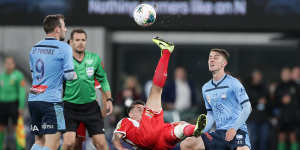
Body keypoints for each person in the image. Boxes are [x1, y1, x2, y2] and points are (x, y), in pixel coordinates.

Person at [112, 37, 206, 150]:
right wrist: (120, 148)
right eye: (138, 109)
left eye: (143, 108)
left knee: (180, 127)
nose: (142, 110)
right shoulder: (126, 121)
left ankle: (193, 129)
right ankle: (166, 52)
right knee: (156, 91)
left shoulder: (146, 118)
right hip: (147, 135)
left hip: (161, 138)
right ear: (131, 114)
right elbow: (116, 137)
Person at [180, 48, 252, 150]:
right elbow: (211, 114)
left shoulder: (234, 83)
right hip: (219, 134)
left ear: (224, 63)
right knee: (188, 143)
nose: (212, 60)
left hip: (237, 131)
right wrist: (201, 131)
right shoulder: (206, 88)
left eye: (216, 58)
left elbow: (247, 108)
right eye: (210, 58)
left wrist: (234, 129)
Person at [28, 14, 76, 150]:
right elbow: (69, 75)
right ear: (57, 29)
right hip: (52, 102)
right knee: (53, 144)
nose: (66, 30)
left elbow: (33, 74)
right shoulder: (64, 48)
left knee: (39, 141)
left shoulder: (34, 48)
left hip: (34, 100)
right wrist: (75, 75)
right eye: (64, 26)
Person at [62, 28, 113, 150]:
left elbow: (103, 80)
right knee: (69, 143)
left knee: (101, 144)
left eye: (83, 40)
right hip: (70, 107)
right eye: (77, 40)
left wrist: (109, 99)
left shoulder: (94, 59)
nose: (80, 43)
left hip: (90, 108)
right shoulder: (64, 60)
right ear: (71, 42)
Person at [0, 57, 26, 150]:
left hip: (14, 104)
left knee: (17, 127)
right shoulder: (2, 76)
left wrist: (21, 106)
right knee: (1, 127)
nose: (8, 65)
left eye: (10, 63)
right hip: (2, 104)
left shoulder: (18, 76)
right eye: (6, 63)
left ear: (13, 65)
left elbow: (22, 91)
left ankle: (20, 147)